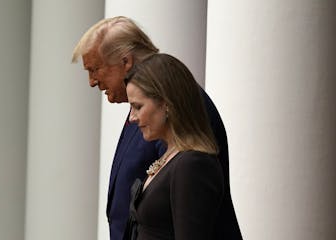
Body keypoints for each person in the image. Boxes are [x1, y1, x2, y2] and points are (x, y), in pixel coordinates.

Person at [71, 16, 242, 240]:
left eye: (95, 69)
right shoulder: (150, 114)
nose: (92, 81)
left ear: (126, 62)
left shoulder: (181, 118)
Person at [123, 53, 240, 239]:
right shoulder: (172, 156)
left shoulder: (193, 164)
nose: (132, 118)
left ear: (166, 103)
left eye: (137, 107)